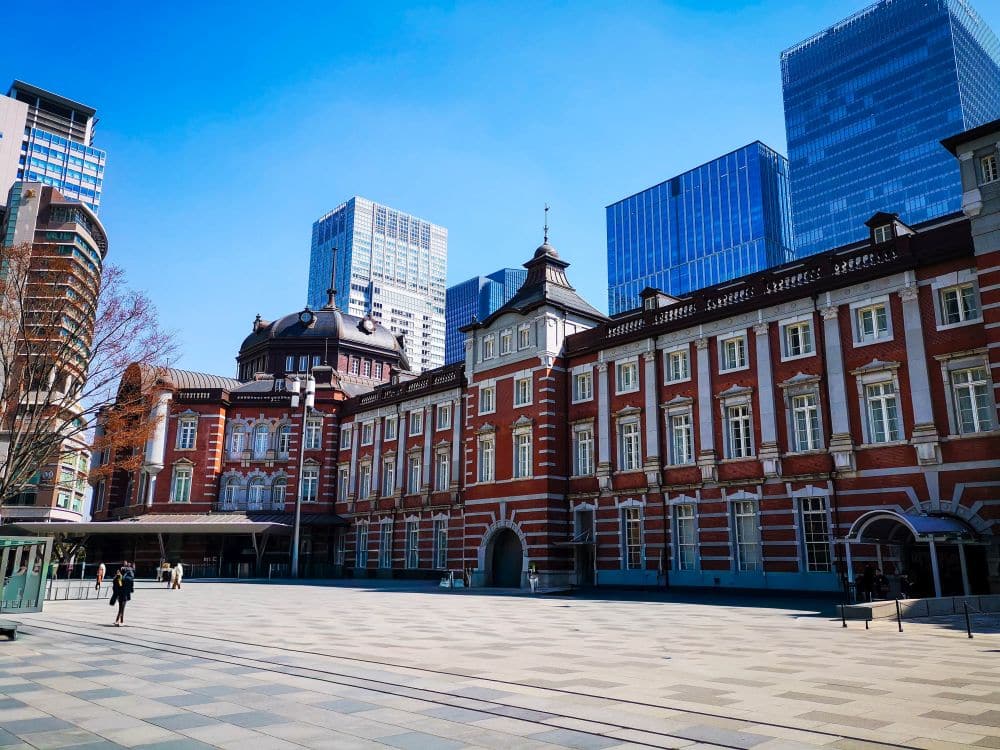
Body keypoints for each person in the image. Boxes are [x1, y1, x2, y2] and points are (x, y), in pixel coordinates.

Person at [110, 562, 135, 626]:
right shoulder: (127, 579)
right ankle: (118, 621)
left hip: (119, 595)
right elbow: (130, 588)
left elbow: (118, 585)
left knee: (121, 608)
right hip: (124, 595)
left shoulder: (119, 578)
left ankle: (120, 621)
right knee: (121, 608)